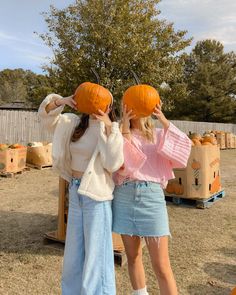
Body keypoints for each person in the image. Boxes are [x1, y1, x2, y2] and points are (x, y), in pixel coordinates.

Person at [38, 90, 124, 295]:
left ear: (109, 107)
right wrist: (61, 101)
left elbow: (113, 163)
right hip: (76, 191)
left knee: (97, 254)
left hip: (97, 197)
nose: (97, 106)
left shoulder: (112, 130)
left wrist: (108, 127)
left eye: (103, 104)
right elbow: (45, 118)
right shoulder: (73, 123)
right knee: (73, 252)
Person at [112, 103, 192, 295]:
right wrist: (124, 126)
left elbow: (183, 148)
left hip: (151, 198)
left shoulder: (157, 134)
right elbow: (121, 161)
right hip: (124, 196)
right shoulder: (118, 133)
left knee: (161, 265)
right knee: (133, 256)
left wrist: (163, 119)